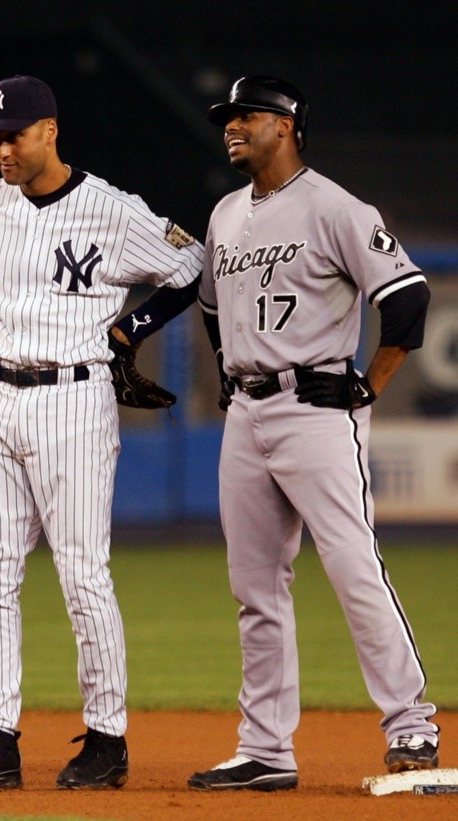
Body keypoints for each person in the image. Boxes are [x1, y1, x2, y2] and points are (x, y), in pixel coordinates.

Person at [0, 74, 202, 791]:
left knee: (82, 571)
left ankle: (107, 739)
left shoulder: (110, 209)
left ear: (50, 131)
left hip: (72, 400)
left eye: (13, 135)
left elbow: (191, 266)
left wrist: (129, 330)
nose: (1, 150)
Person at [188, 74, 439, 792]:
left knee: (354, 566)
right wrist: (233, 374)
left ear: (286, 125)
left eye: (247, 117)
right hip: (247, 414)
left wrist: (370, 381)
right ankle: (266, 748)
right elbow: (212, 308)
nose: (232, 128)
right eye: (227, 119)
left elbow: (408, 297)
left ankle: (411, 722)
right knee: (255, 587)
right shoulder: (225, 214)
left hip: (317, 410)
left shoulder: (334, 208)